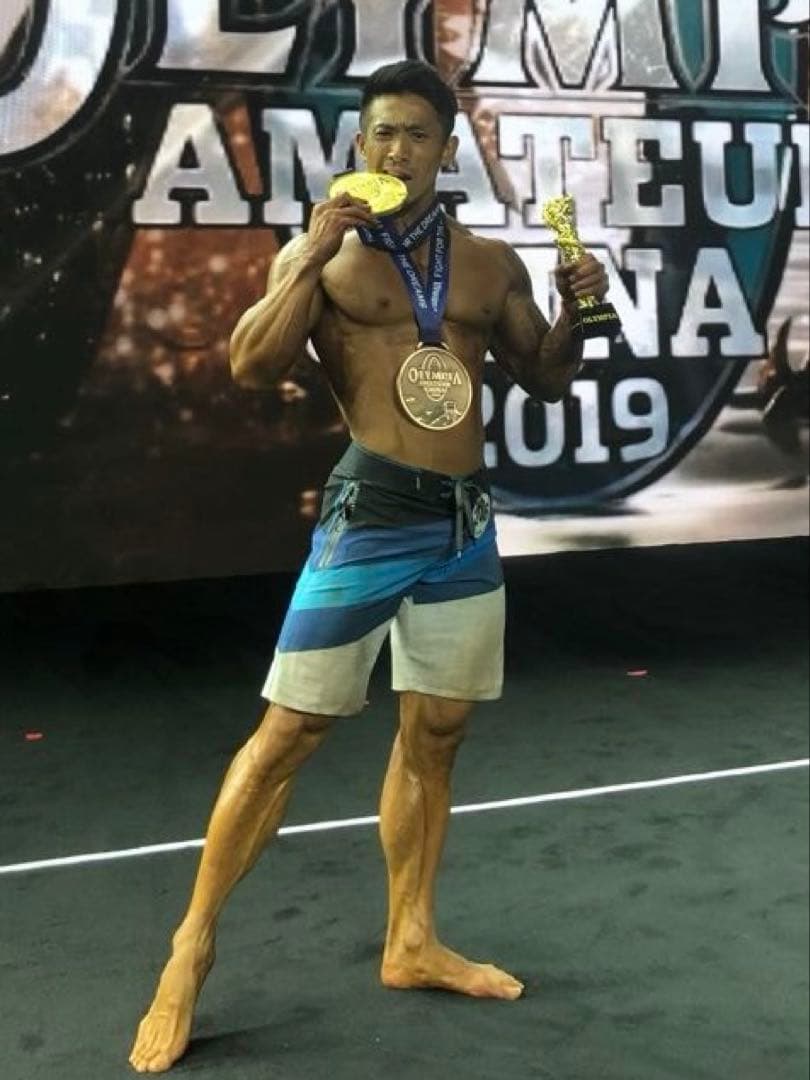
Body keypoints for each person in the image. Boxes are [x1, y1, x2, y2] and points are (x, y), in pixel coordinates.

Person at [129, 59, 609, 1074]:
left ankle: (413, 939)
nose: (397, 150)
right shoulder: (326, 258)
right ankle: (190, 948)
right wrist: (309, 255)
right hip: (371, 514)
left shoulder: (488, 265)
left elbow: (546, 377)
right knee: (288, 733)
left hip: (462, 523)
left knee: (436, 735)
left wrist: (577, 311)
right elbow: (251, 364)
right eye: (382, 132)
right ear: (359, 144)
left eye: (417, 135)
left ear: (446, 150)